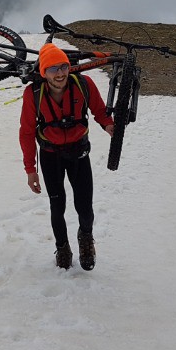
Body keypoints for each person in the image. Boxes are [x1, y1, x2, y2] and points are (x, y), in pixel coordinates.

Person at [19, 43, 113, 271]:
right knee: (56, 205)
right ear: (43, 72)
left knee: (84, 205)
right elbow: (27, 131)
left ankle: (86, 239)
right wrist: (31, 169)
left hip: (79, 152)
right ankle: (62, 247)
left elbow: (99, 110)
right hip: (51, 156)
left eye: (63, 66)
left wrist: (109, 125)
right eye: (53, 69)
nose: (60, 73)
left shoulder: (83, 84)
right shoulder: (33, 94)